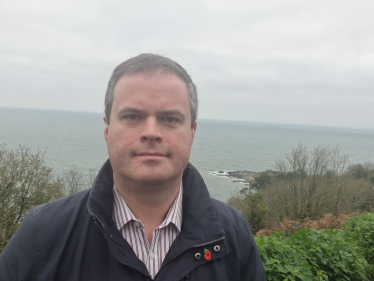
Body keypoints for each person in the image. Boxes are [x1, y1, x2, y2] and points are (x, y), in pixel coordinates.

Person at [0, 54, 266, 281]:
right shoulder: (41, 233)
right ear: (107, 128)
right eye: (132, 116)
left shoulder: (234, 234)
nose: (151, 132)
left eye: (170, 118)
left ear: (192, 131)